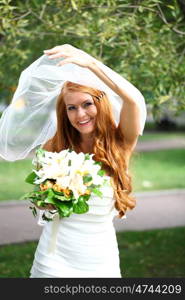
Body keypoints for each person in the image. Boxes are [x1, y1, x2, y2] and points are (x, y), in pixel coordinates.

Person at [0, 44, 147, 277]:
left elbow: (135, 101)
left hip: (101, 260)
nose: (80, 114)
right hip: (53, 258)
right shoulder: (54, 146)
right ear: (64, 113)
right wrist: (46, 199)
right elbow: (41, 199)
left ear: (100, 103)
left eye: (87, 104)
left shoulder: (120, 142)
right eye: (72, 108)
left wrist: (91, 63)